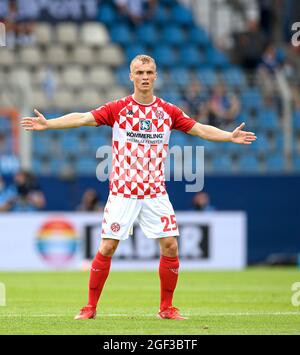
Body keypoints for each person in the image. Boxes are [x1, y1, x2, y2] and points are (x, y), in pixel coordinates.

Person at [21, 54, 256, 321]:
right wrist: (49, 124)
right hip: (123, 193)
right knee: (107, 247)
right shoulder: (119, 108)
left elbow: (199, 129)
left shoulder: (168, 111)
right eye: (140, 72)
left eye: (149, 72)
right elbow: (83, 118)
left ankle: (166, 308)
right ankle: (89, 307)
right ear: (131, 76)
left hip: (155, 193)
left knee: (170, 246)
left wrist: (228, 136)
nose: (145, 77)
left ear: (155, 76)